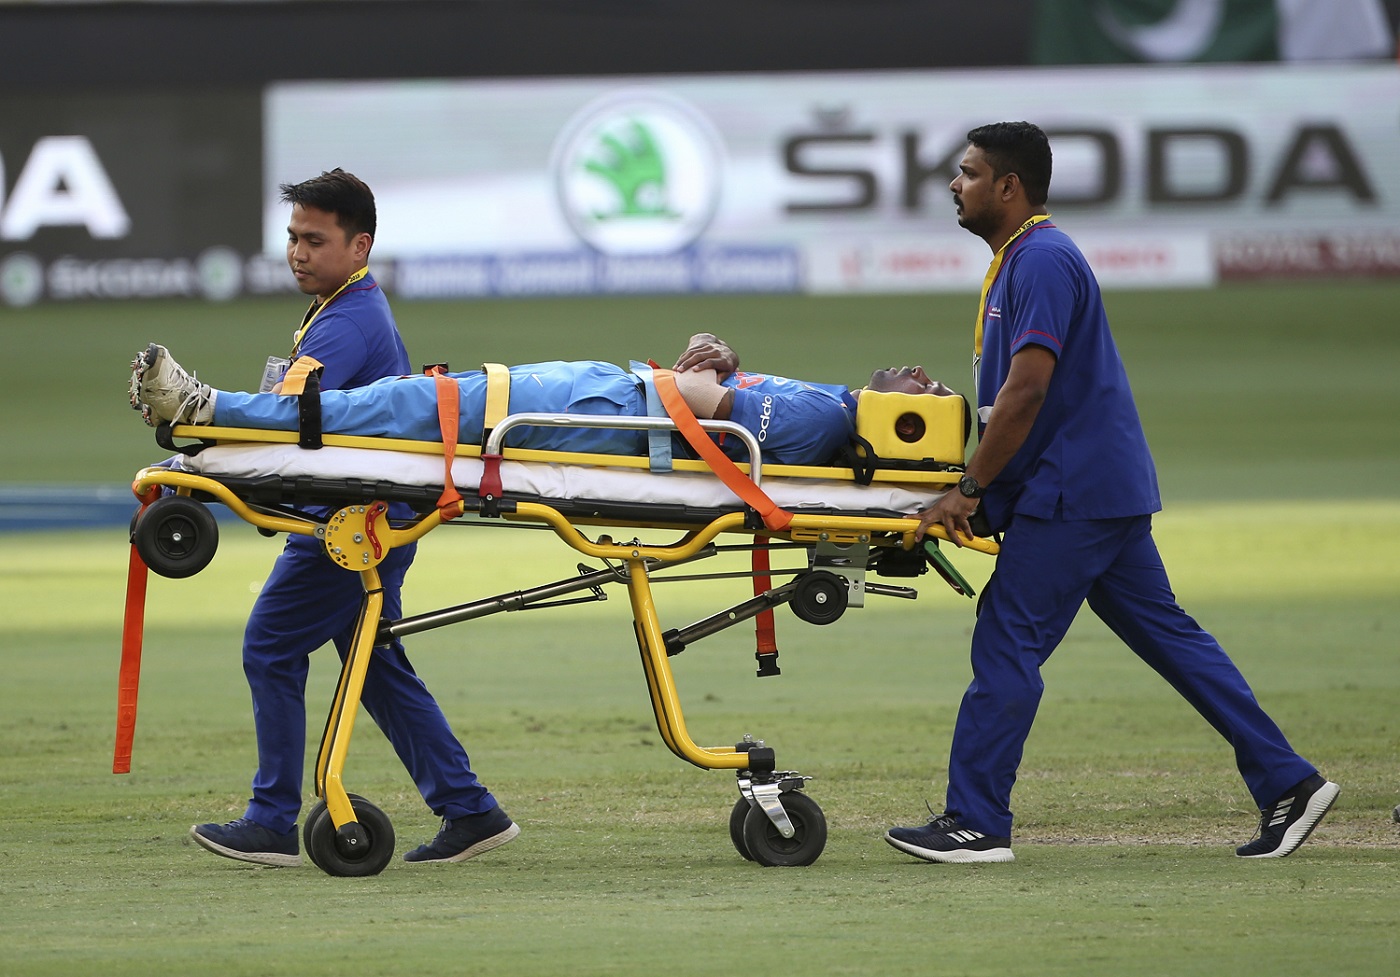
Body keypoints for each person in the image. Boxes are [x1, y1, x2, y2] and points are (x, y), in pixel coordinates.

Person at [883, 122, 1338, 864]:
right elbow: (1016, 400)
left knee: (1008, 634)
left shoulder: (1043, 259)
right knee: (1172, 639)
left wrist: (970, 487)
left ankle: (976, 821)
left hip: (1074, 492)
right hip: (1096, 485)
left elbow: (1028, 390)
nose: (954, 186)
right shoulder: (1021, 261)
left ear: (1009, 185)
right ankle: (1289, 781)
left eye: (967, 173)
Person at [168, 169, 519, 867]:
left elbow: (284, 414)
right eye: (293, 237)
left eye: (314, 239)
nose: (298, 251)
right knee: (377, 665)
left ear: (359, 246)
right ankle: (471, 809)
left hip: (354, 529)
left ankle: (271, 819)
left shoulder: (350, 321)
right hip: (368, 521)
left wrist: (200, 433)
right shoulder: (340, 307)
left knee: (270, 645)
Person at [130, 337, 960, 467]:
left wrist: (709, 378)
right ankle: (227, 422)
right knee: (402, 402)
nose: (922, 373)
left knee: (389, 410)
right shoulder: (829, 402)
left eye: (933, 393)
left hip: (599, 415)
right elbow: (724, 392)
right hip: (608, 398)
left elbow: (713, 411)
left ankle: (207, 411)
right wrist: (721, 361)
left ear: (908, 427)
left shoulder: (826, 421)